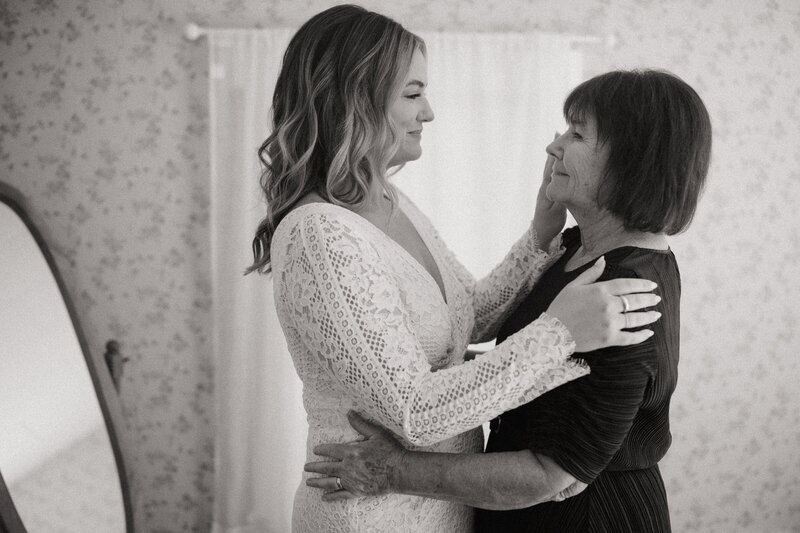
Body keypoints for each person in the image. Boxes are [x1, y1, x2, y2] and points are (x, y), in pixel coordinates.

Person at [252, 5, 661, 532]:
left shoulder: (391, 203)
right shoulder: (319, 234)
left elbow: (469, 316)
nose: (429, 112)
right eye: (413, 93)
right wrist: (558, 334)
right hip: (372, 511)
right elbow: (415, 413)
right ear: (354, 100)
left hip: (445, 505)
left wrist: (540, 234)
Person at [305, 68, 711, 533]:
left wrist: (393, 470)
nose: (554, 146)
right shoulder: (579, 247)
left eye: (577, 133)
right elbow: (533, 366)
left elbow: (545, 475)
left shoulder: (627, 291)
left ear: (633, 164)